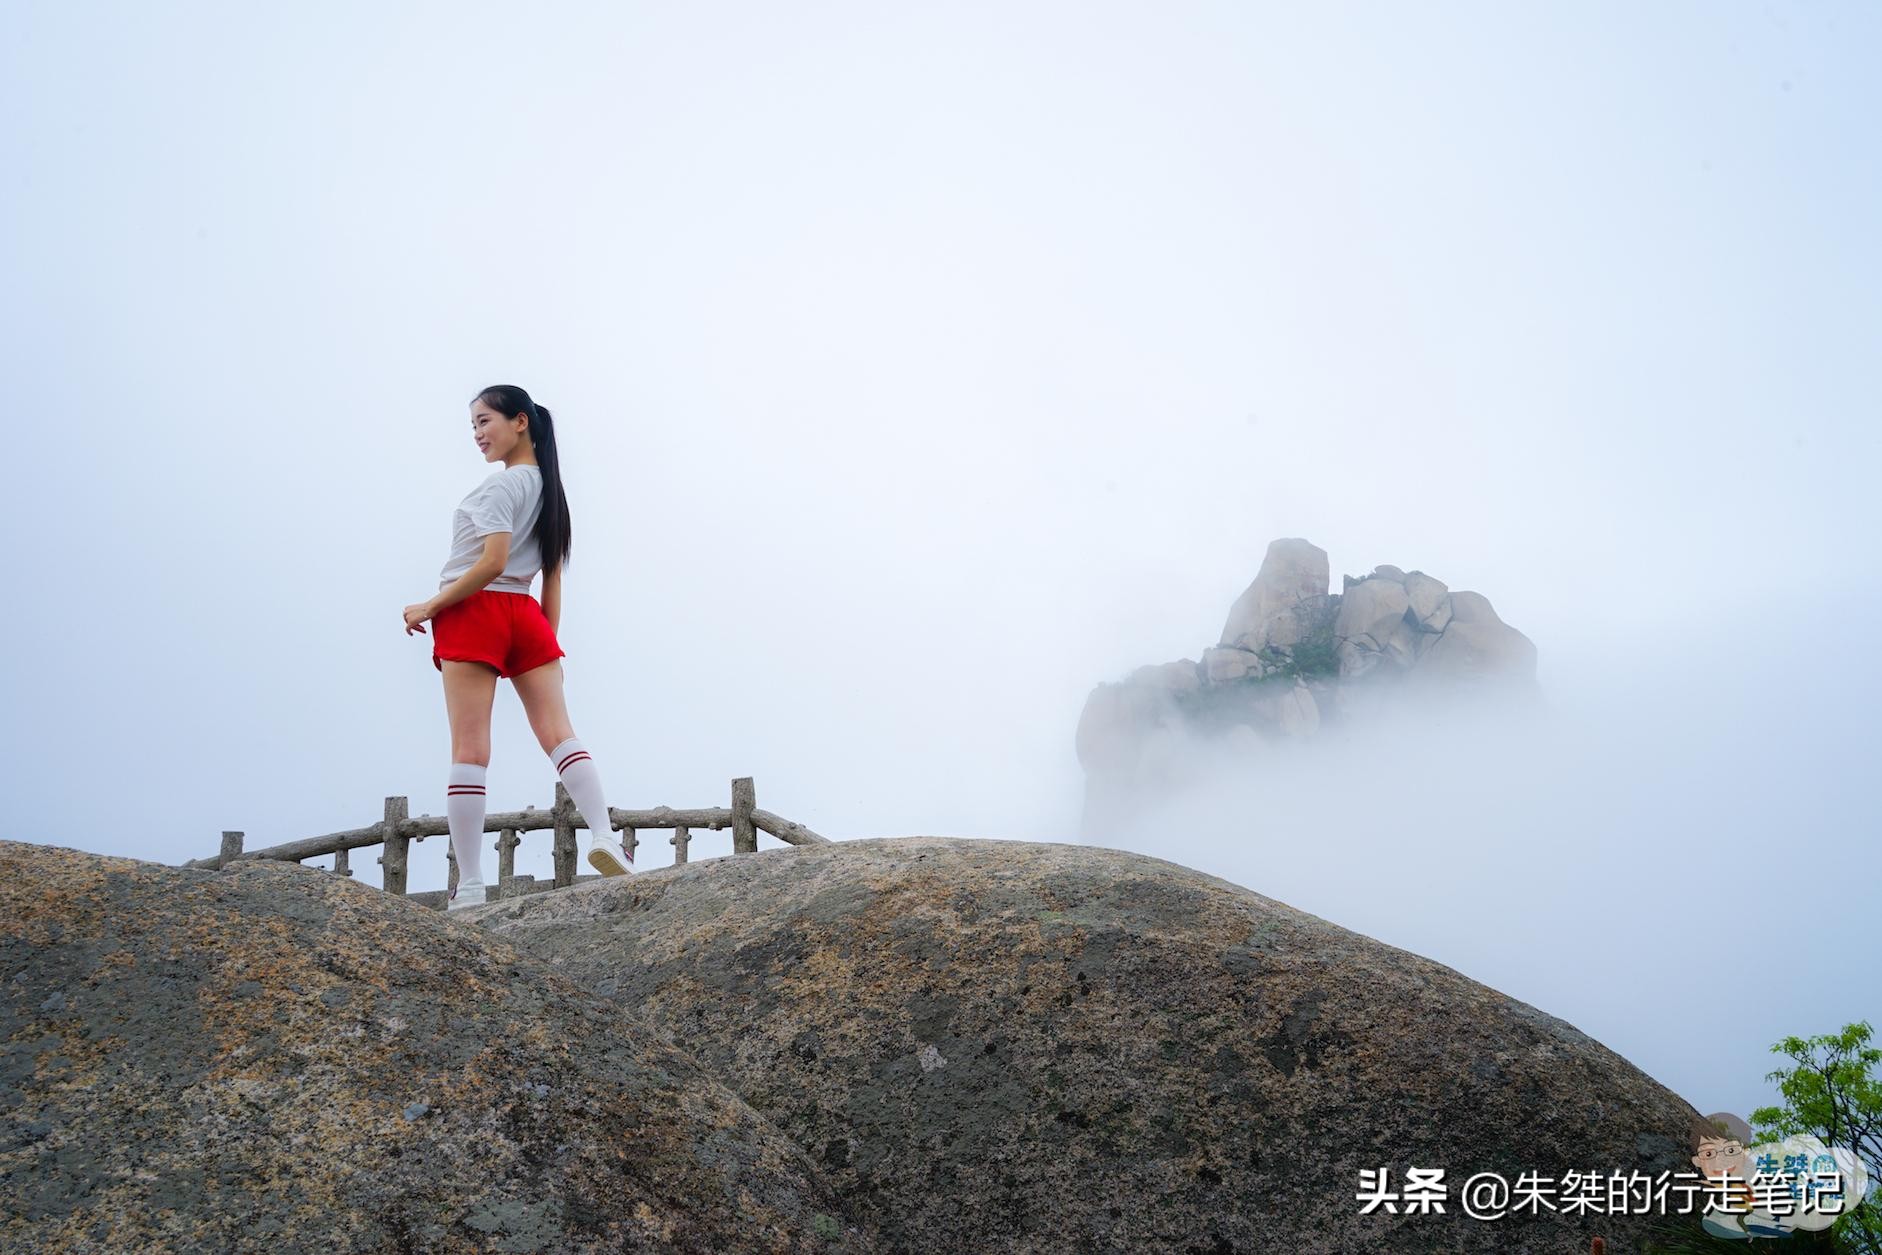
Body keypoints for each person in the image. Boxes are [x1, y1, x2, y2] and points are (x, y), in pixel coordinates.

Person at [402, 385, 632, 911]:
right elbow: (551, 579)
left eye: (485, 421)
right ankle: (604, 834)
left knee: (470, 750)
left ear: (520, 422)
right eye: (473, 426)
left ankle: (473, 883)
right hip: (525, 616)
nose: (479, 434)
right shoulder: (552, 497)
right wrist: (547, 643)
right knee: (560, 734)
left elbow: (489, 562)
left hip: (475, 611)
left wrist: (429, 606)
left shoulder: (501, 488)